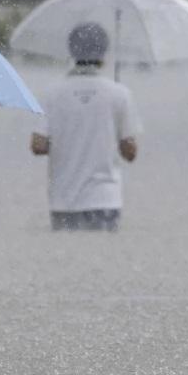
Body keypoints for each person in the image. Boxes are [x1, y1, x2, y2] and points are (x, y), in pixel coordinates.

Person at [30, 23, 141, 231]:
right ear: (104, 53)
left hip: (63, 200)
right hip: (105, 200)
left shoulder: (52, 94)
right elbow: (130, 152)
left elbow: (38, 146)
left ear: (71, 50)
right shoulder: (120, 94)